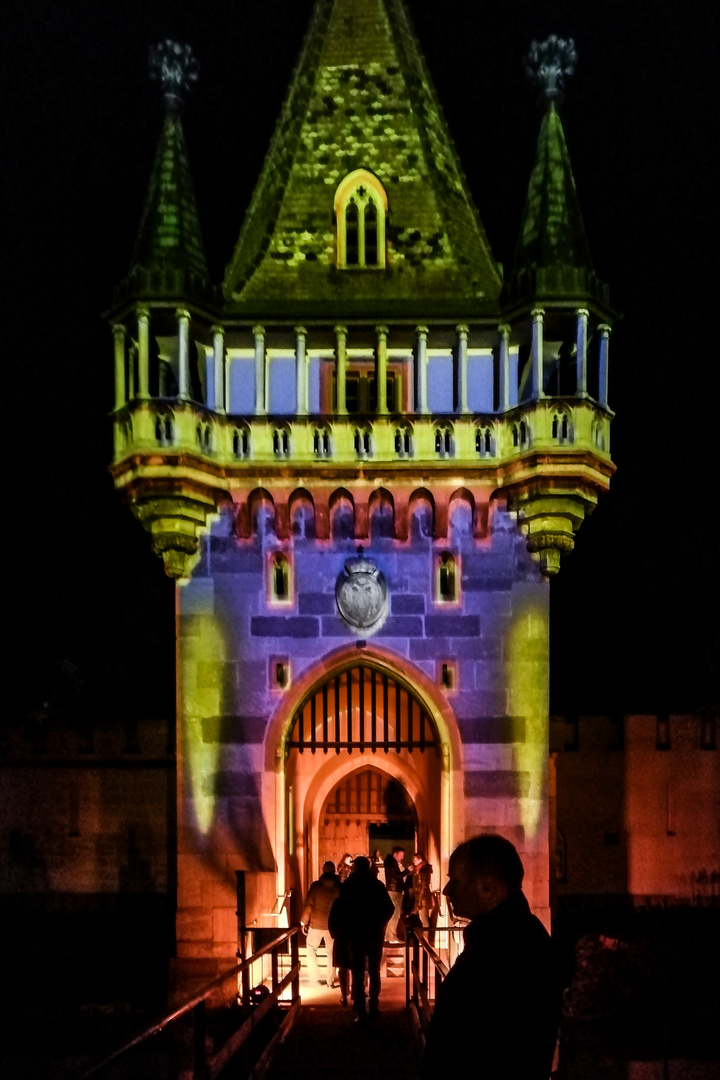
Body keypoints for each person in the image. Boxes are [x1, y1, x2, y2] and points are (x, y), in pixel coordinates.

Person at [422, 834, 562, 1080]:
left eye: (455, 881)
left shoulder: (509, 951)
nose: (446, 890)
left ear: (487, 886)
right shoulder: (507, 937)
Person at [329, 855, 393, 1024]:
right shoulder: (377, 885)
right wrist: (380, 923)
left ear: (355, 868)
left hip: (354, 934)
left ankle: (359, 1009)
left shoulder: (348, 885)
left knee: (357, 972)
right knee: (374, 970)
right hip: (373, 933)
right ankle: (373, 1005)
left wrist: (345, 927)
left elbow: (341, 908)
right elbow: (389, 907)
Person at [300, 860, 341, 986]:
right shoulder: (339, 887)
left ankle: (315, 977)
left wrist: (303, 922)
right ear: (334, 871)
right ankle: (330, 980)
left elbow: (309, 905)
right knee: (331, 952)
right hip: (333, 925)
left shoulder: (316, 886)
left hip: (316, 923)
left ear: (323, 870)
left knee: (311, 949)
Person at [383, 846, 408, 941]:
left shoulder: (391, 863)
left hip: (395, 890)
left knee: (395, 913)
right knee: (395, 913)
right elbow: (397, 876)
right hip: (394, 890)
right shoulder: (392, 864)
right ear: (395, 854)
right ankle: (391, 936)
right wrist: (407, 871)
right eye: (401, 855)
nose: (402, 858)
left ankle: (390, 935)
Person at [409, 851, 433, 928]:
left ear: (420, 860)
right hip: (420, 897)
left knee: (424, 920)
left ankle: (425, 938)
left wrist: (419, 901)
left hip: (422, 899)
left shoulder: (423, 870)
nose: (413, 861)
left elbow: (423, 886)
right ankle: (424, 938)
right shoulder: (419, 870)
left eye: (415, 859)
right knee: (422, 919)